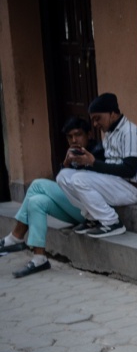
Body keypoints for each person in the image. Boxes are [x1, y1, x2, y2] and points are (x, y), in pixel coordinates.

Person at [0, 117, 97, 278]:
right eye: (69, 137)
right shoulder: (72, 154)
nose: (74, 140)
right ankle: (39, 258)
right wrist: (66, 164)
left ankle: (16, 237)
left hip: (91, 211)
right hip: (74, 209)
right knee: (36, 201)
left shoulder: (97, 151)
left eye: (78, 135)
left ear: (88, 134)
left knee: (37, 185)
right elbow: (62, 184)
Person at [56, 92, 137, 239]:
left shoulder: (130, 132)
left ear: (113, 114)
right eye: (93, 120)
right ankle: (93, 218)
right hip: (116, 183)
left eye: (98, 118)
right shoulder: (109, 134)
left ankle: (112, 222)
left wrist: (93, 163)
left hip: (132, 187)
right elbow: (107, 168)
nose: (95, 124)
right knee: (63, 176)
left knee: (78, 179)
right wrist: (85, 162)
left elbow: (129, 170)